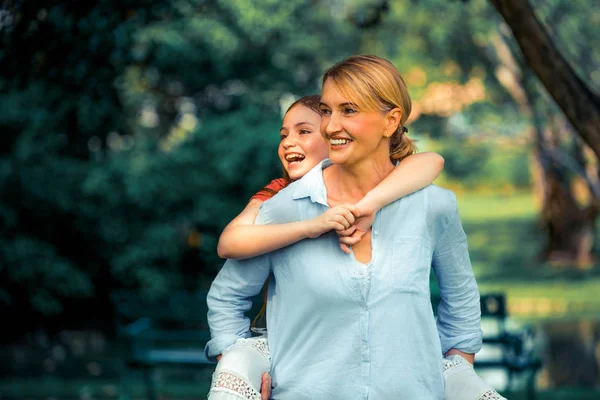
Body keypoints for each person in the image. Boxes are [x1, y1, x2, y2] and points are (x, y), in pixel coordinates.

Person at [206, 55, 501, 399]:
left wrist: (457, 370)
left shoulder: (433, 206)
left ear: (391, 121)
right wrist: (240, 368)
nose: (330, 126)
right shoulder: (286, 207)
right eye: (328, 111)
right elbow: (228, 297)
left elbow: (461, 300)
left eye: (348, 111)